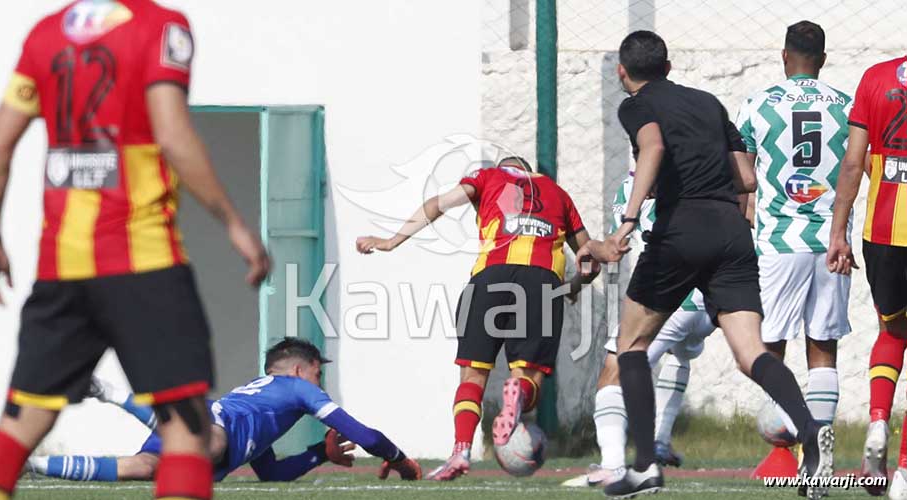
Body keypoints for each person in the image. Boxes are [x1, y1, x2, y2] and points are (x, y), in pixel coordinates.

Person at [0, 2, 270, 499]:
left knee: (19, 424)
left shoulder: (45, 33)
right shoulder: (161, 26)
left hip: (62, 266)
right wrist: (233, 222)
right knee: (186, 429)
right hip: (144, 262)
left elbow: (1, 143)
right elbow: (170, 133)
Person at [576, 31, 833, 499]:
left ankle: (645, 467)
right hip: (731, 231)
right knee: (751, 352)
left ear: (622, 72)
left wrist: (626, 225)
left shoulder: (635, 105)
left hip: (681, 228)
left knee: (631, 346)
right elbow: (747, 178)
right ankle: (810, 432)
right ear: (669, 67)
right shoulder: (708, 101)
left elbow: (653, 148)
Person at [356, 156, 597, 480]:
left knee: (472, 376)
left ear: (505, 168)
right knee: (528, 380)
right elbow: (589, 259)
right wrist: (573, 287)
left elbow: (438, 204)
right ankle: (517, 395)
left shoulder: (487, 176)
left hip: (490, 277)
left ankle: (460, 451)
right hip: (540, 281)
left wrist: (391, 241)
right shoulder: (557, 192)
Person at [26, 338, 422, 482]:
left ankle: (32, 465)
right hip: (211, 427)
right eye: (318, 374)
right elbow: (365, 435)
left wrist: (321, 453)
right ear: (301, 371)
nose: (320, 384)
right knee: (208, 445)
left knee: (142, 468)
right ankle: (113, 392)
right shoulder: (298, 390)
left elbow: (273, 474)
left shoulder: (264, 409)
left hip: (211, 427)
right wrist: (402, 461)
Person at [735, 21, 852, 450]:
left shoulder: (757, 105)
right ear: (822, 59)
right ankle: (818, 445)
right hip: (830, 241)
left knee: (767, 346)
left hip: (778, 242)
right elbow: (859, 167)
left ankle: (787, 422)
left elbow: (742, 181)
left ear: (784, 56)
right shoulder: (847, 106)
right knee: (823, 346)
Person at [563, 172, 716, 488]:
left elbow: (608, 250)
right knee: (683, 354)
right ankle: (660, 440)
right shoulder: (703, 172)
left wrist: (579, 274)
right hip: (708, 300)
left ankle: (613, 465)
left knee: (613, 370)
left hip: (668, 295)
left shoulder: (640, 184)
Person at [827, 46, 907, 497]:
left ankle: (877, 424)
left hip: (882, 236)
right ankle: (905, 474)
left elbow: (854, 163)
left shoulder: (876, 77)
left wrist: (838, 232)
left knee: (893, 332)